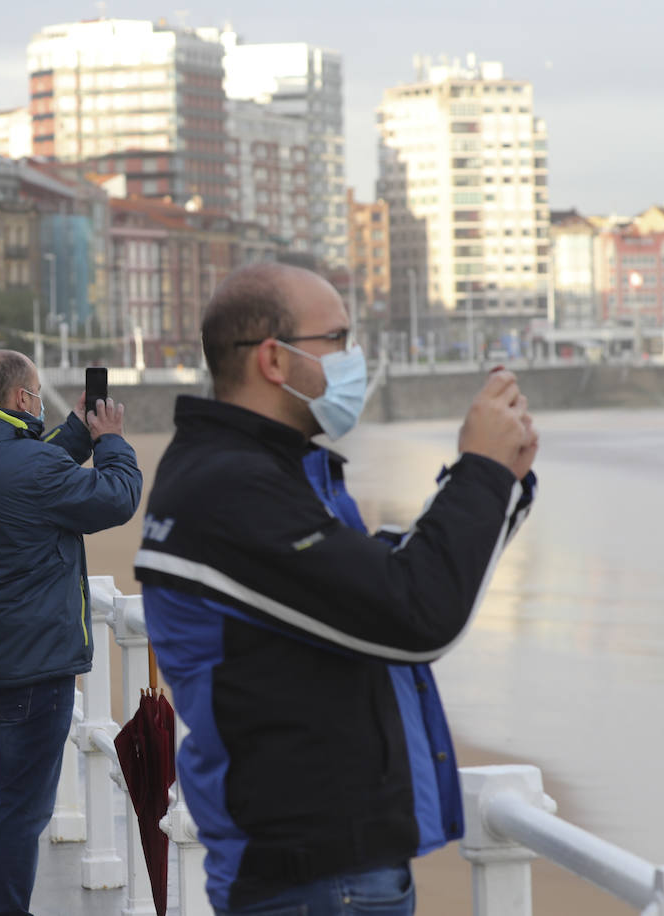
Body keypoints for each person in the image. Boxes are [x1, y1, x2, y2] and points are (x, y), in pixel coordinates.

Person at [133, 263, 539, 916]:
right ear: (274, 359)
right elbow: (414, 616)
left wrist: (498, 483)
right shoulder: (233, 490)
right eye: (340, 339)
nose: (356, 359)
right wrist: (482, 473)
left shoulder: (260, 473)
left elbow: (381, 586)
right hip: (313, 878)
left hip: (325, 868)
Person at [0, 349, 143, 916]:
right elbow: (116, 499)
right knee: (21, 812)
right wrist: (111, 441)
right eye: (37, 393)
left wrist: (75, 431)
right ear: (23, 399)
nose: (40, 401)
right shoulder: (30, 470)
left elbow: (25, 471)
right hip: (33, 669)